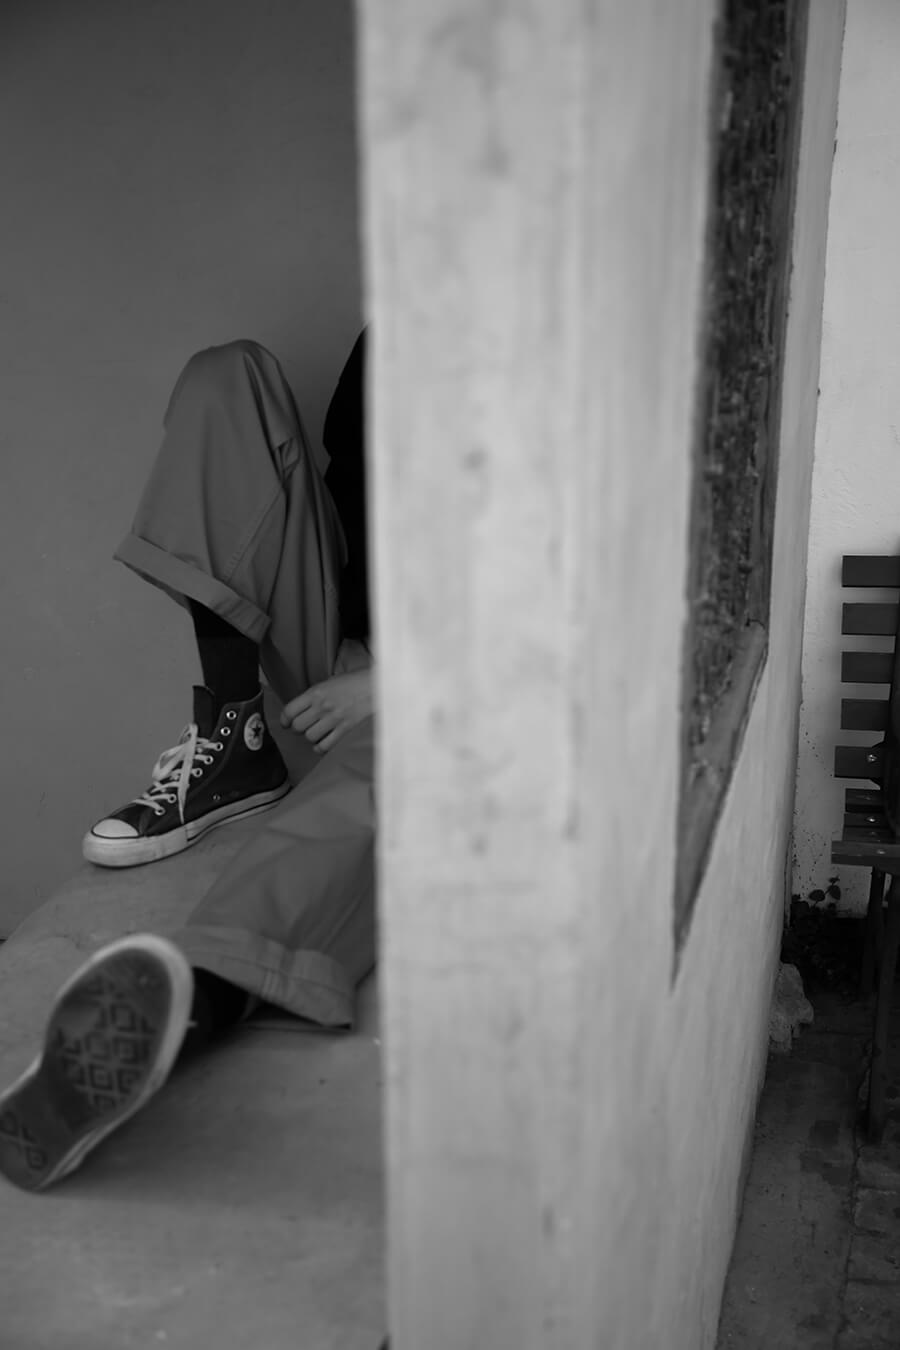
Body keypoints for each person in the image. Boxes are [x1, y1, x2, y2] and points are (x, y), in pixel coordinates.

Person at [0, 332, 376, 1194]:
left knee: (357, 799)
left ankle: (193, 1002)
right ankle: (237, 735)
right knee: (228, 376)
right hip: (344, 639)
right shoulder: (395, 332)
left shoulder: (584, 359)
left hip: (468, 687)